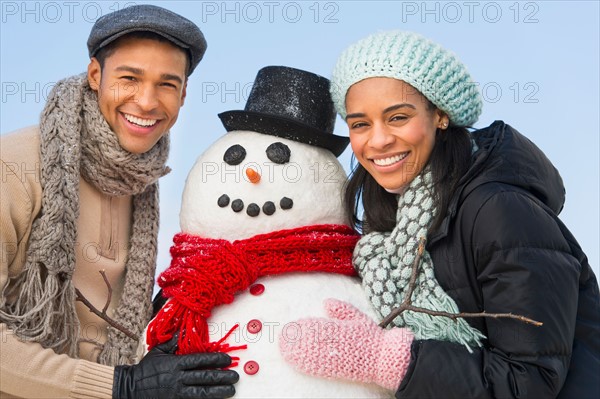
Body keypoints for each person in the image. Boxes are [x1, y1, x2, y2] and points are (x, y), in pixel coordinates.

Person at [279, 30, 600, 398]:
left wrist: (388, 359)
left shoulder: (499, 211)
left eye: (397, 117)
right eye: (360, 124)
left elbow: (528, 381)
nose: (378, 140)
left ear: (441, 115)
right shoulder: (387, 227)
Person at [0, 5, 238, 399]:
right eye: (129, 78)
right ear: (96, 75)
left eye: (166, 84)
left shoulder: (141, 178)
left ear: (183, 94)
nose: (146, 102)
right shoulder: (15, 164)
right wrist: (120, 386)